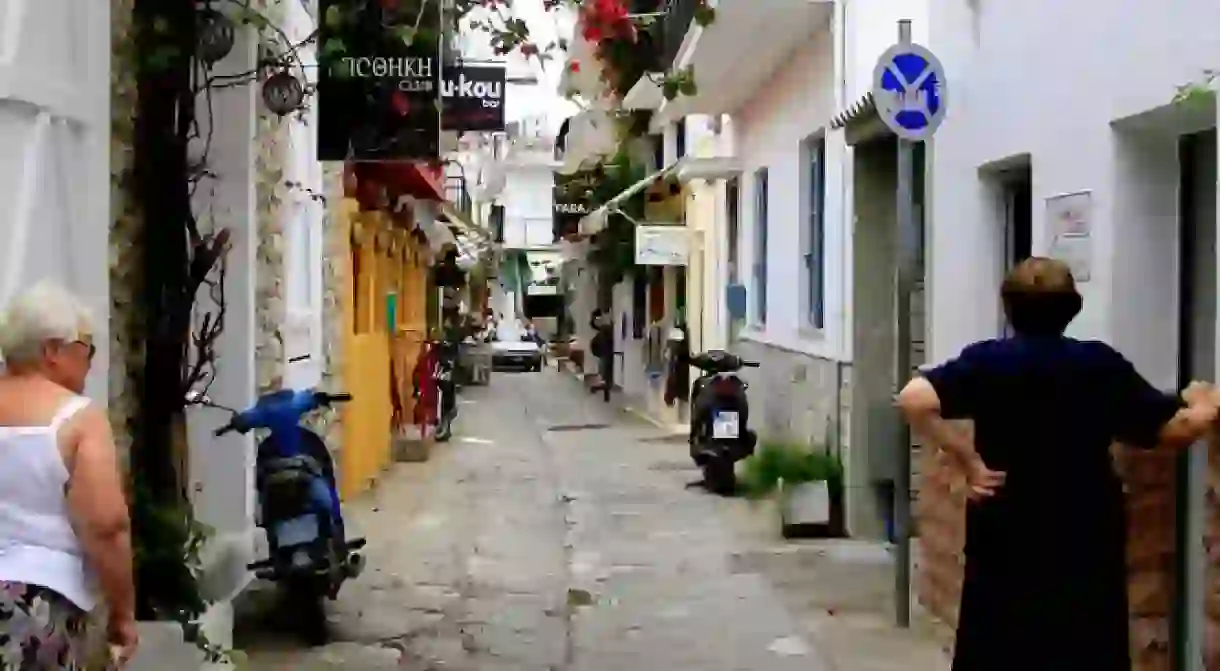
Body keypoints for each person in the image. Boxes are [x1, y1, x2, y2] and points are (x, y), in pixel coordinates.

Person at [896, 257, 1218, 671]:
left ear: (1008, 307)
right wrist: (1203, 398)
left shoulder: (987, 361)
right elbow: (1175, 430)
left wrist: (969, 463)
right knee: (1084, 641)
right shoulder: (1099, 366)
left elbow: (913, 399)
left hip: (1005, 525)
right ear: (1073, 308)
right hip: (1083, 532)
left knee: (998, 637)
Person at [0, 282, 138, 668]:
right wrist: (123, 615)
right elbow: (106, 525)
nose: (90, 362)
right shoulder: (78, 420)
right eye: (86, 349)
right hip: (37, 603)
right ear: (52, 351)